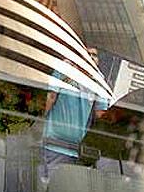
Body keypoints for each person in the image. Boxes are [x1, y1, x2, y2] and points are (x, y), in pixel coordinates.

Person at [41, 48, 108, 178]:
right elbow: (50, 97)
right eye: (86, 54)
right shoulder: (65, 68)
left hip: (75, 149)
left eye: (94, 55)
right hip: (55, 142)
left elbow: (100, 115)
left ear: (98, 61)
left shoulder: (100, 81)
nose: (90, 57)